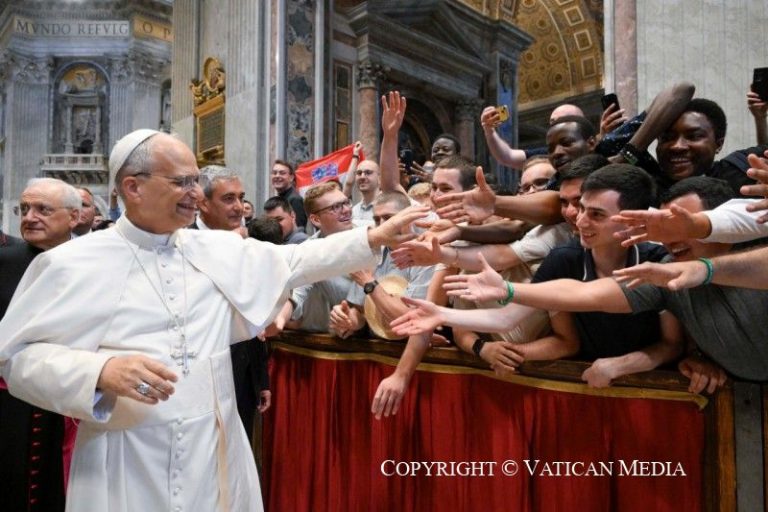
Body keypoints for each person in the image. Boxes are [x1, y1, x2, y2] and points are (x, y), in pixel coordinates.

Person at [0, 129, 426, 512]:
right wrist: (99, 372)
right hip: (125, 454)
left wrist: (373, 237)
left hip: (214, 445)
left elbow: (295, 259)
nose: (195, 194)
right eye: (181, 182)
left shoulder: (214, 249)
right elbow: (16, 357)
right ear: (133, 187)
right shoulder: (70, 264)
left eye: (196, 181)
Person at [398, 177, 751, 393]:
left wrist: (623, 364)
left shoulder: (660, 260)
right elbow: (515, 315)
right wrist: (442, 314)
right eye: (580, 209)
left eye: (596, 214)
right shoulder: (570, 258)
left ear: (631, 219)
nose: (579, 220)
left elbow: (671, 344)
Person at [1, 178, 80, 512]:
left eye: (42, 210)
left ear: (74, 217)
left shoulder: (95, 261)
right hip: (13, 402)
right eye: (24, 209)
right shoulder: (5, 260)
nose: (30, 217)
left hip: (75, 397)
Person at [193, 165, 246, 232]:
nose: (239, 207)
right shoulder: (184, 237)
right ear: (204, 204)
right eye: (229, 198)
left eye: (241, 197)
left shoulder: (245, 236)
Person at [271, 159, 307, 229]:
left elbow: (299, 228)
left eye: (282, 173)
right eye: (274, 173)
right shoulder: (281, 198)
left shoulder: (295, 200)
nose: (277, 176)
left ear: (291, 178)